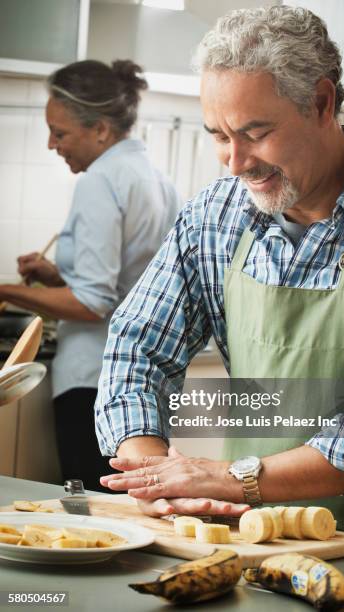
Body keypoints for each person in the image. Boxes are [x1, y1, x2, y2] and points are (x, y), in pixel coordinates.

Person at [95, 6, 344, 534]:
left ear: (322, 103)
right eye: (219, 135)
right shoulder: (214, 216)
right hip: (243, 538)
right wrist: (154, 478)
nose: (235, 162)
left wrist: (229, 477)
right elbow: (137, 348)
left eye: (255, 133)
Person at [0, 59, 181, 491]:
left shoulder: (99, 181)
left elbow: (94, 302)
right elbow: (125, 287)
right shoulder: (156, 180)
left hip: (93, 383)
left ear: (101, 129)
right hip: (145, 384)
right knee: (132, 510)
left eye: (59, 133)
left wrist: (6, 290)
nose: (50, 144)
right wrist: (55, 274)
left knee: (90, 513)